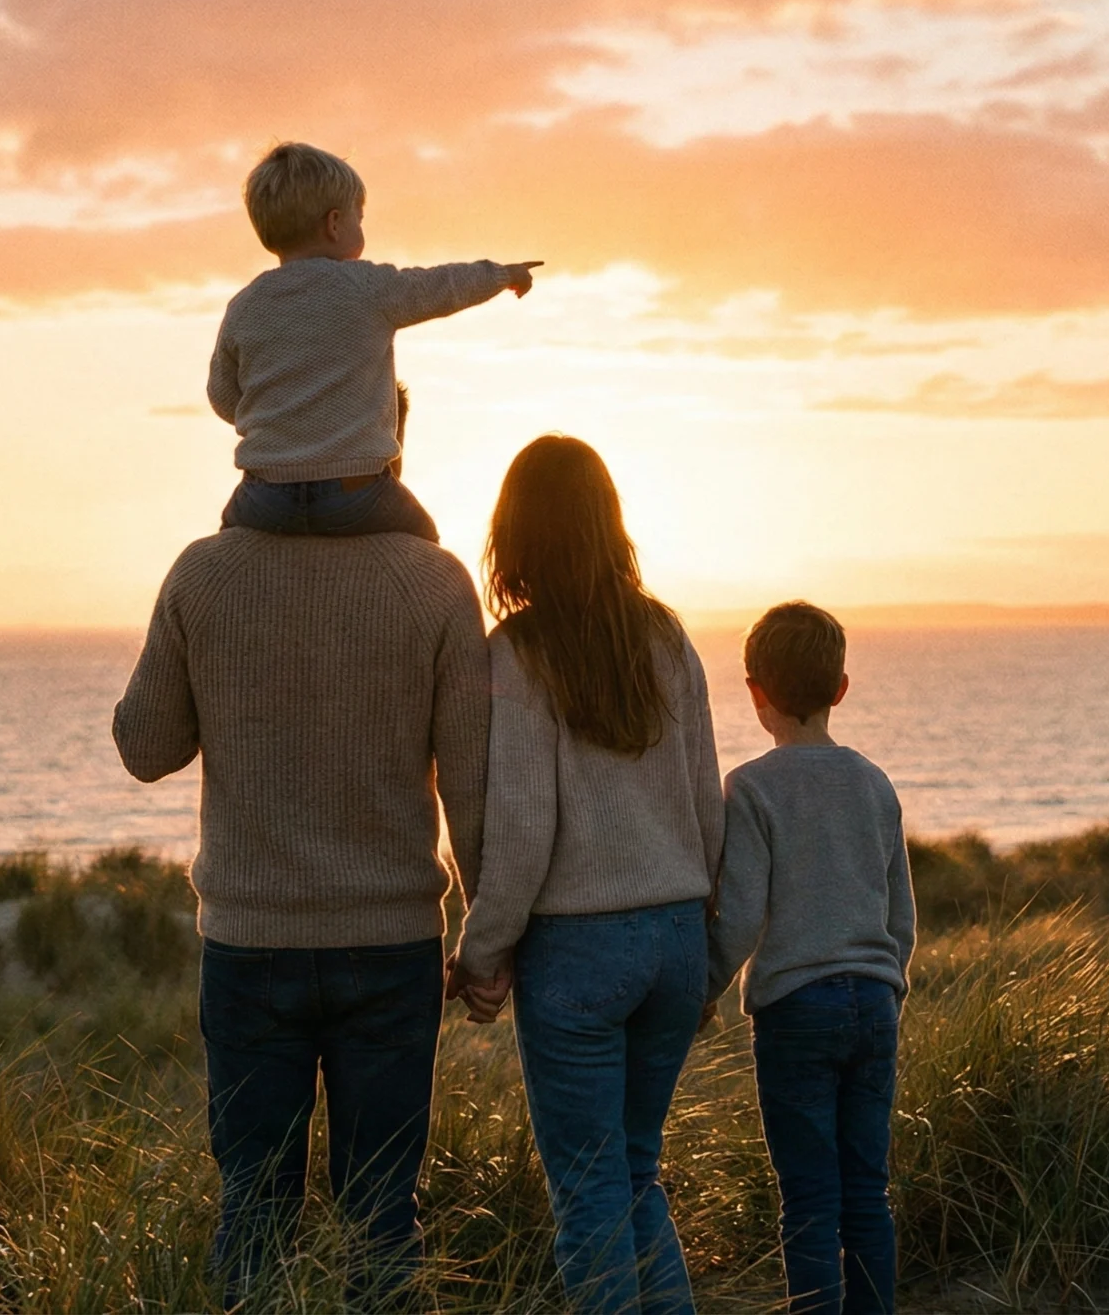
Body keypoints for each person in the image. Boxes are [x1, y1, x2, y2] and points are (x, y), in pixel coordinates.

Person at [112, 523, 491, 1310]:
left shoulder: (205, 574)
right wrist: (488, 937)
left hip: (252, 945)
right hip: (392, 946)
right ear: (389, 440)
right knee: (383, 1215)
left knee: (253, 1212)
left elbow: (145, 746)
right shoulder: (436, 582)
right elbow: (472, 788)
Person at [448, 434, 724, 1315]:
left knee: (591, 1199)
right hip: (678, 935)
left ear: (514, 535)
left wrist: (482, 950)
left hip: (579, 953)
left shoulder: (516, 655)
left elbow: (523, 832)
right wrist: (708, 953)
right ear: (610, 526)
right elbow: (705, 806)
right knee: (636, 1176)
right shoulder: (667, 636)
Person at [706, 601, 916, 1315]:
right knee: (867, 1193)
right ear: (841, 688)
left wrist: (703, 988)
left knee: (809, 1202)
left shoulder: (753, 787)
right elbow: (901, 917)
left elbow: (737, 918)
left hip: (797, 1008)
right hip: (875, 1002)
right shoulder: (874, 782)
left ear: (755, 691)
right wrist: (890, 991)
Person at [209, 141, 539, 542]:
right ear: (334, 224)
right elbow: (441, 286)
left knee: (222, 546)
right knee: (425, 542)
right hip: (357, 493)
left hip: (264, 496)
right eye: (358, 218)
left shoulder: (244, 305)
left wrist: (280, 418)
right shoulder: (367, 287)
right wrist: (503, 274)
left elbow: (223, 395)